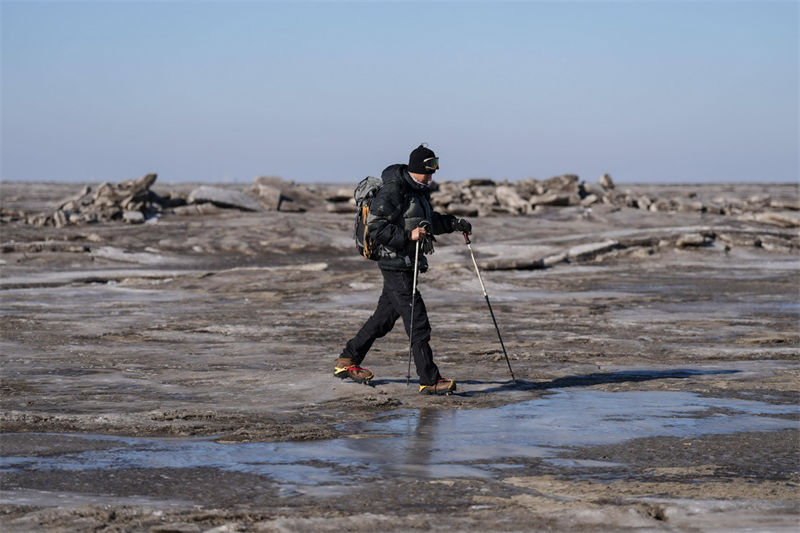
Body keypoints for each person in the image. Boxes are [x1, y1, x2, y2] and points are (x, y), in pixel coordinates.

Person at [334, 144, 471, 395]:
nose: (432, 174)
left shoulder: (418, 191)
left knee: (383, 319)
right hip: (394, 264)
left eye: (435, 168)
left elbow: (427, 222)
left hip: (408, 265)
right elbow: (376, 227)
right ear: (416, 168)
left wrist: (453, 223)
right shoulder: (394, 190)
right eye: (429, 169)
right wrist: (409, 235)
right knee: (417, 322)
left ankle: (347, 360)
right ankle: (429, 380)